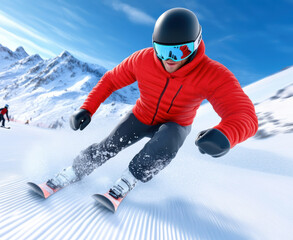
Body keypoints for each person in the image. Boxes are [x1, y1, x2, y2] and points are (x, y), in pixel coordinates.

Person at [42, 8, 258, 203]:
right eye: (163, 51)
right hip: (141, 116)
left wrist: (226, 135)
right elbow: (110, 80)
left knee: (166, 142)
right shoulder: (143, 59)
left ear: (195, 46)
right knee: (110, 144)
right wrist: (88, 107)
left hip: (176, 124)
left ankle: (129, 179)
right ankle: (74, 170)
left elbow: (244, 115)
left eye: (179, 51)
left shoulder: (212, 74)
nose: (169, 60)